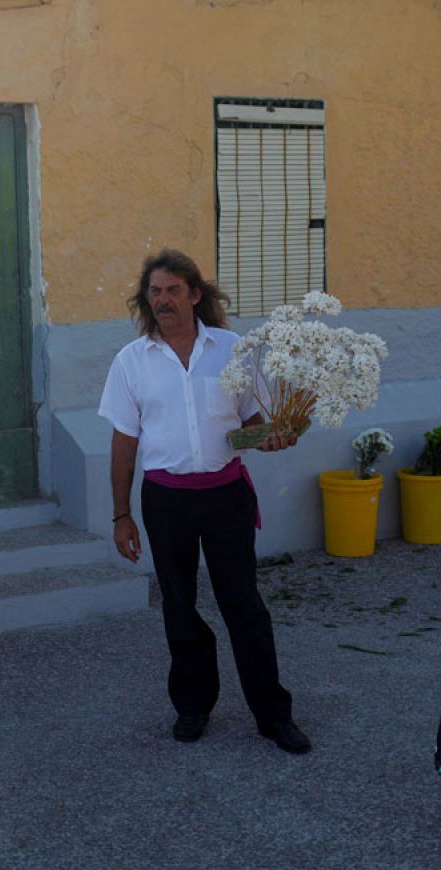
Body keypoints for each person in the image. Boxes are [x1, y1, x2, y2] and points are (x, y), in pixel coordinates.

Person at [98, 249, 311, 755]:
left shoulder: (233, 349)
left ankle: (273, 715)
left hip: (226, 498)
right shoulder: (130, 363)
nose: (163, 300)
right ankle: (192, 705)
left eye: (174, 290)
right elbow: (123, 444)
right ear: (145, 300)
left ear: (196, 295)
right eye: (155, 292)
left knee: (243, 605)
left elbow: (253, 422)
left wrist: (273, 436)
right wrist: (121, 514)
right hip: (165, 501)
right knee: (178, 604)